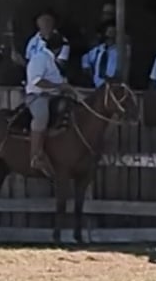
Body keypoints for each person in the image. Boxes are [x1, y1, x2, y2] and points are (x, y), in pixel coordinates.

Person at [23, 26, 69, 175]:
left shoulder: (50, 60)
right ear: (59, 48)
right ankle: (36, 156)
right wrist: (58, 86)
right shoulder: (40, 58)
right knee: (41, 116)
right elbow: (37, 81)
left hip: (53, 95)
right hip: (37, 96)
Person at [80, 24, 123, 89]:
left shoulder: (120, 52)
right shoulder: (98, 49)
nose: (109, 39)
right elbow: (85, 58)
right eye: (107, 37)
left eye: (112, 36)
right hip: (96, 87)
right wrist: (87, 69)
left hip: (113, 88)